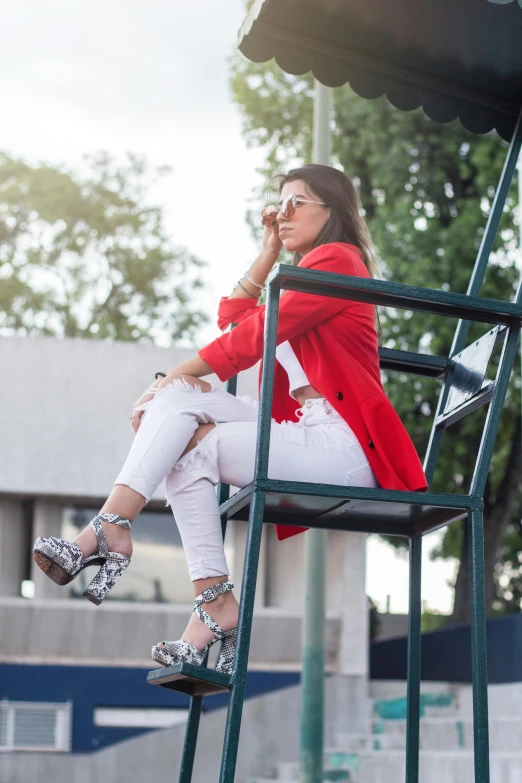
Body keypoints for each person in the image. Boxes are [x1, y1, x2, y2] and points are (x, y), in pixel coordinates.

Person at [33, 164, 427, 675]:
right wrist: (267, 252)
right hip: (301, 431)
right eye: (276, 205)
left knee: (188, 434)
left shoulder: (339, 261)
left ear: (331, 212)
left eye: (294, 204)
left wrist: (164, 376)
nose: (280, 215)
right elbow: (237, 317)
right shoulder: (300, 278)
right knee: (176, 401)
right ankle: (126, 535)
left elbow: (246, 339)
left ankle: (177, 583)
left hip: (343, 446)